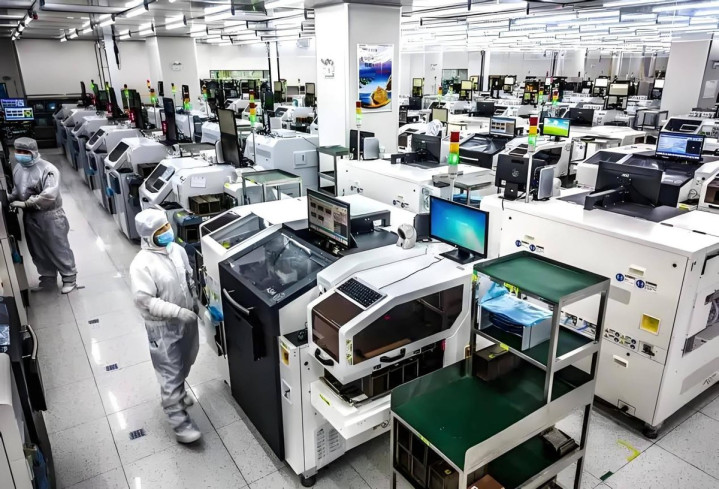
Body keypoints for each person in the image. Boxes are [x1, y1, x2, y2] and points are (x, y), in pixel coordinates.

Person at [130, 208, 201, 444]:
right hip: (163, 328)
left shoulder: (176, 250)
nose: (167, 231)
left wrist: (195, 300)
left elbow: (188, 278)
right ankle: (180, 424)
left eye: (166, 226)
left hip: (187, 320)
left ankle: (179, 393)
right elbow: (145, 301)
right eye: (160, 230)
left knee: (187, 360)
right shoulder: (142, 264)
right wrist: (177, 312)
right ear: (148, 235)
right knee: (170, 372)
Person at [9, 137, 77, 293]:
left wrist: (27, 203)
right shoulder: (18, 168)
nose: (20, 154)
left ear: (33, 151)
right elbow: (17, 190)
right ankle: (47, 279)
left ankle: (69, 278)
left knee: (58, 248)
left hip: (50, 215)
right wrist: (10, 198)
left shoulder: (47, 169)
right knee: (37, 249)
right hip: (30, 216)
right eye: (18, 151)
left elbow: (49, 195)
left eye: (25, 152)